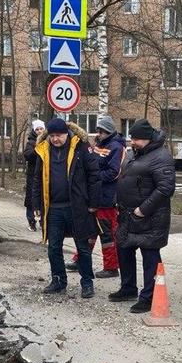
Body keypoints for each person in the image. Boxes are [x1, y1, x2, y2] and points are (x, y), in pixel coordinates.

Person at [109, 119, 176, 314]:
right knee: (124, 249)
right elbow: (123, 179)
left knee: (150, 256)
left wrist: (142, 210)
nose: (132, 142)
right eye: (132, 138)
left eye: (136, 139)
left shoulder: (161, 157)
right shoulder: (133, 155)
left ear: (147, 139)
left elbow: (165, 188)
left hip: (150, 217)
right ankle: (128, 288)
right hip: (126, 214)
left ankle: (149, 296)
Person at [32, 118, 100, 298]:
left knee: (82, 247)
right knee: (54, 247)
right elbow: (37, 179)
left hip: (77, 207)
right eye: (52, 136)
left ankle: (87, 283)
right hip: (53, 208)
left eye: (59, 135)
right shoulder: (43, 151)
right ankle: (58, 280)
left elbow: (94, 175)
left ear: (66, 134)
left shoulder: (80, 147)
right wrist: (36, 204)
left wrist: (93, 203)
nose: (55, 139)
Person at [66, 115, 126, 279]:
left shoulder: (117, 147)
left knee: (107, 235)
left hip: (106, 199)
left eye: (101, 131)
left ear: (108, 131)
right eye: (97, 131)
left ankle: (111, 267)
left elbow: (114, 172)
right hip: (93, 197)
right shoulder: (99, 145)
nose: (98, 134)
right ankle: (80, 260)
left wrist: (93, 176)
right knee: (88, 231)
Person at [23, 119, 46, 232]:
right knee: (31, 199)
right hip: (33, 175)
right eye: (37, 129)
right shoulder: (31, 142)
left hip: (45, 175)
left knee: (43, 199)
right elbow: (27, 155)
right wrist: (37, 150)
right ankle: (31, 221)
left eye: (41, 129)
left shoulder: (48, 140)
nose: (39, 131)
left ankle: (43, 222)